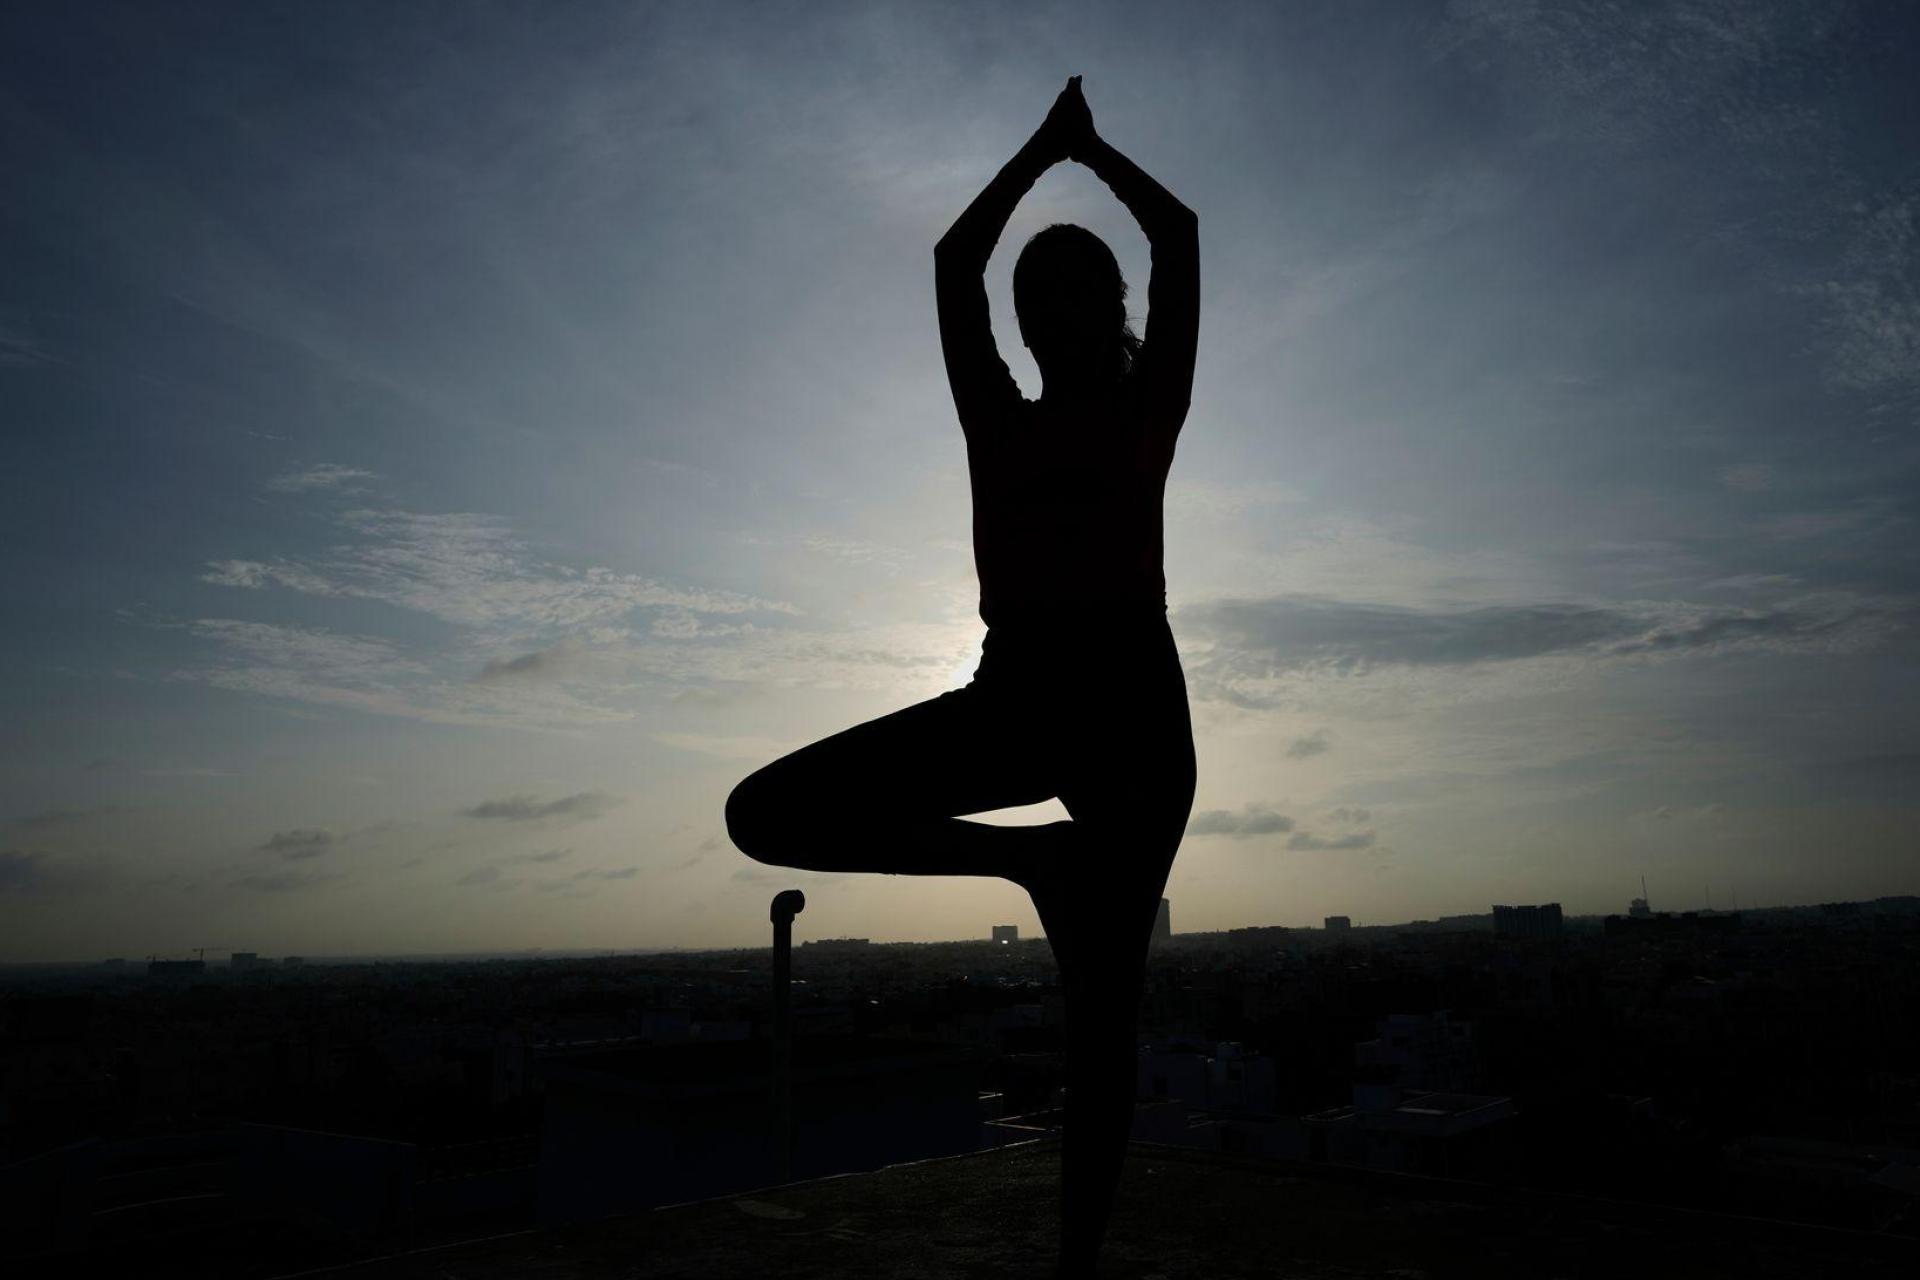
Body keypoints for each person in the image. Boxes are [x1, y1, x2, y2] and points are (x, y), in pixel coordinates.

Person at [727, 75, 1199, 1277]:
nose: (1049, 310)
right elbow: (953, 263)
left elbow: (1180, 236)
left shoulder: (1148, 410)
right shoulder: (996, 414)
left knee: (1106, 1018)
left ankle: (1077, 1264)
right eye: (1036, 296)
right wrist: (1039, 153)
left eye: (1073, 291)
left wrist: (1089, 155)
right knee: (764, 813)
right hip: (1016, 695)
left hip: (1134, 709)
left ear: (1111, 309)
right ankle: (1029, 855)